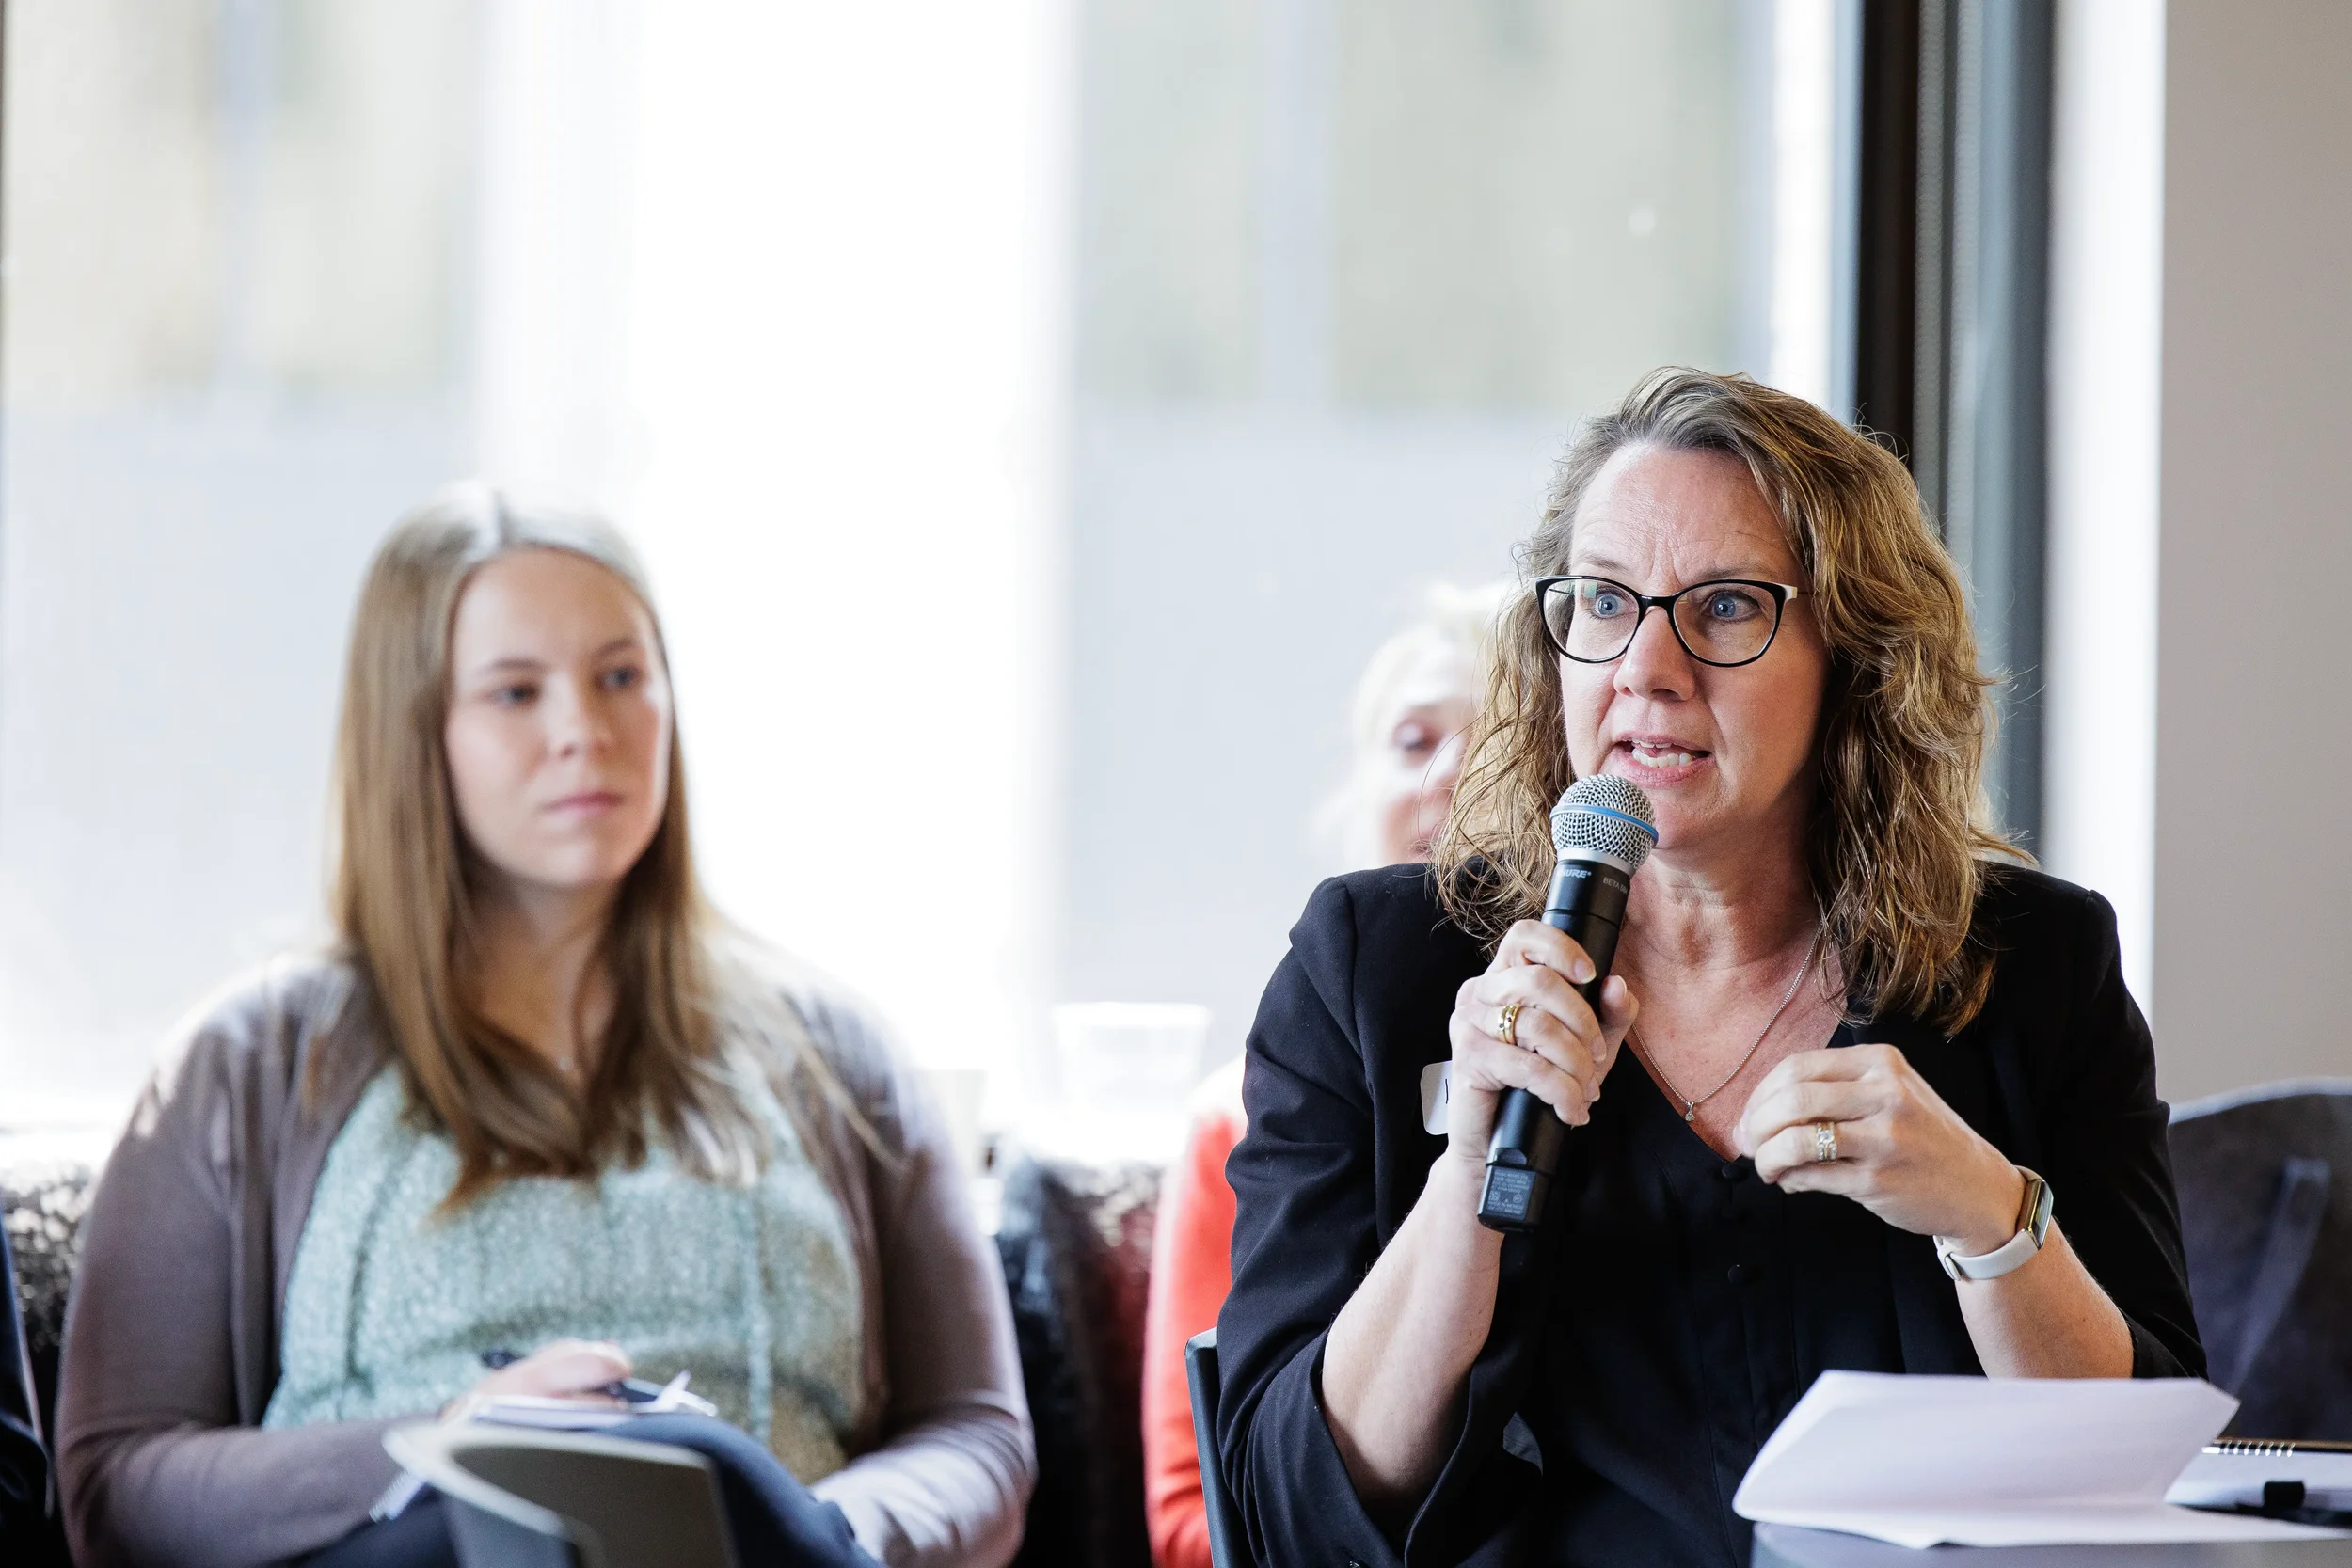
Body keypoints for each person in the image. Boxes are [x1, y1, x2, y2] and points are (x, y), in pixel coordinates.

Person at [1215, 370, 2202, 1568]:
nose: (1647, 667)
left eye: (1726, 607)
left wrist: (1993, 1220)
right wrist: (1468, 1169)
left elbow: (2147, 1477)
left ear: (1855, 649)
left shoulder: (2038, 964)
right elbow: (1286, 1511)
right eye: (1604, 603)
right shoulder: (1374, 973)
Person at [56, 486, 1035, 1568]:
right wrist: (448, 1446)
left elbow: (980, 1436)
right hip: (429, 1549)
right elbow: (118, 1481)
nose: (584, 730)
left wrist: (805, 1528)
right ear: (414, 730)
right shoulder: (247, 1063)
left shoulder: (839, 1054)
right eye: (516, 692)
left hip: (779, 1552)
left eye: (622, 676)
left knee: (710, 1482)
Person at [1139, 584, 1502, 1568]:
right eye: (1413, 737)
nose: (1449, 773)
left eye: (1496, 738)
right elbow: (1192, 1508)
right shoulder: (1238, 1116)